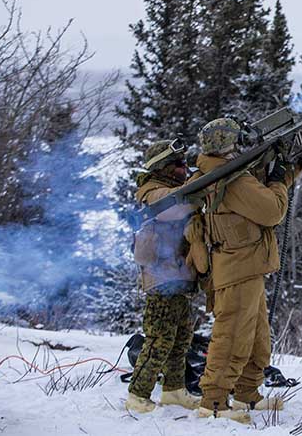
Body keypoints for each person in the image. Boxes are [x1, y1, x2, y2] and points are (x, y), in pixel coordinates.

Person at [188, 117, 302, 422]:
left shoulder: (222, 172)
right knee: (233, 336)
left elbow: (262, 194)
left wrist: (290, 168)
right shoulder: (232, 179)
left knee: (255, 337)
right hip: (238, 267)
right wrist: (279, 180)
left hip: (246, 265)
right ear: (232, 144)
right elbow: (271, 210)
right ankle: (213, 402)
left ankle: (246, 395)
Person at [125, 139, 204, 414]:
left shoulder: (171, 189)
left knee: (181, 338)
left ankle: (173, 390)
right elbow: (176, 208)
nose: (185, 168)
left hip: (178, 277)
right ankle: (138, 394)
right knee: (159, 340)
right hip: (161, 280)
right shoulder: (151, 191)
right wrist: (203, 181)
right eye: (179, 164)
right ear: (164, 168)